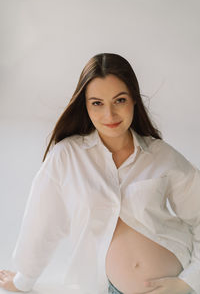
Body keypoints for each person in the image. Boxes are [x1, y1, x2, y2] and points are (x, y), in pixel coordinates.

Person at [0, 53, 199, 294]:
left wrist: (189, 281)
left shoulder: (161, 155)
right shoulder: (67, 156)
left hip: (176, 283)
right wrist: (24, 280)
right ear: (84, 105)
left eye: (120, 100)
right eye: (97, 103)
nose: (110, 115)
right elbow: (42, 223)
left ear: (134, 100)